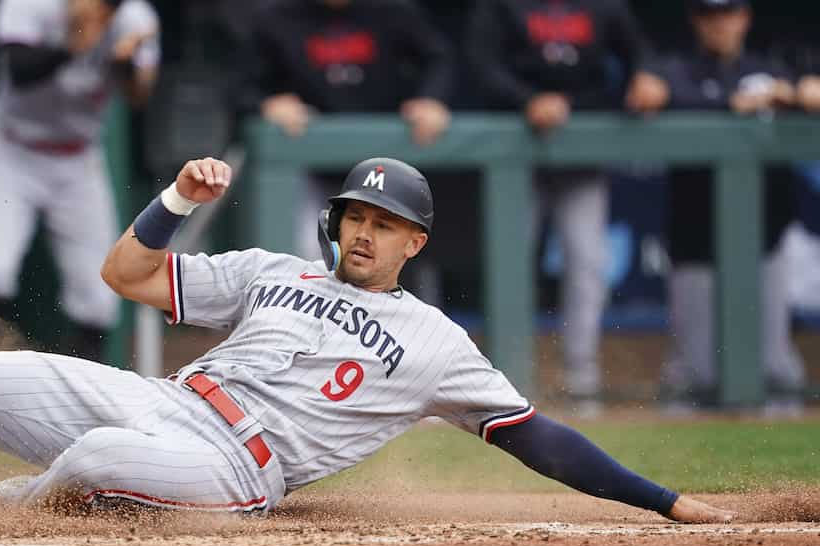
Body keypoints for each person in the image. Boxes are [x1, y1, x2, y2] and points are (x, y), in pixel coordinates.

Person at [0, 155, 734, 524]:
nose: (361, 231)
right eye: (353, 215)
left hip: (235, 468)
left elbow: (537, 436)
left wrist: (667, 502)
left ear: (413, 241)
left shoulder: (439, 343)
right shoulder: (274, 271)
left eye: (382, 223)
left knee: (97, 464)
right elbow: (124, 274)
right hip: (164, 400)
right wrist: (173, 198)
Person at [466, 0, 669, 410]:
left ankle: (581, 379)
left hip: (580, 150)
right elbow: (479, 63)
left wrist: (647, 75)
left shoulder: (603, 5)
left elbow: (639, 49)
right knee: (508, 265)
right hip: (513, 153)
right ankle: (498, 380)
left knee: (587, 262)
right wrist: (525, 99)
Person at [0, 0, 160, 362]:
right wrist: (76, 44)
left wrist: (124, 64)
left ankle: (77, 389)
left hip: (78, 159)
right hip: (13, 152)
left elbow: (139, 95)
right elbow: (19, 69)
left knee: (99, 296)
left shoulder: (133, 17)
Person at [642, 0, 806, 405]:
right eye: (710, 15)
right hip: (694, 236)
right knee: (694, 371)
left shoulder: (772, 70)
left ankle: (780, 461)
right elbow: (645, 97)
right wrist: (731, 105)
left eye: (728, 13)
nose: (720, 24)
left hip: (764, 235)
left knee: (775, 365)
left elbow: (810, 92)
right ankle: (675, 457)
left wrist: (797, 94)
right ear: (696, 20)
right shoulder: (674, 69)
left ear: (745, 17)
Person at [241, 0, 455, 259]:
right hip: (308, 168)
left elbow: (438, 57)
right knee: (309, 257)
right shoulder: (274, 14)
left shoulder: (394, 10)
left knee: (401, 255)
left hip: (388, 169)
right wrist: (267, 102)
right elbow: (240, 86)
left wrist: (431, 98)